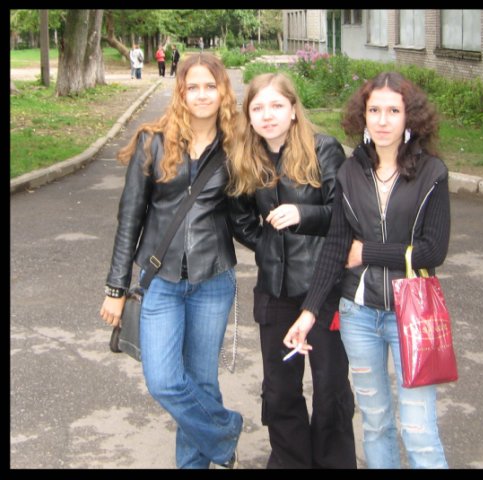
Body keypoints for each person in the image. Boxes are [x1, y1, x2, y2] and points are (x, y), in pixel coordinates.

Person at [283, 71, 451, 469]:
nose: (383, 120)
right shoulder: (349, 172)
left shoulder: (432, 172)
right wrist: (308, 313)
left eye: (393, 110)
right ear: (363, 116)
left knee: (419, 431)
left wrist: (368, 252)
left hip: (413, 314)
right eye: (374, 110)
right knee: (375, 425)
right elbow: (336, 248)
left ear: (410, 117)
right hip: (358, 315)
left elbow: (433, 250)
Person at [99, 53, 243, 469]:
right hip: (160, 279)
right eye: (192, 86)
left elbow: (246, 214)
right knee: (163, 380)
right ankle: (224, 431)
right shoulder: (153, 141)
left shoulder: (235, 145)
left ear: (223, 91)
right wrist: (116, 287)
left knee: (201, 381)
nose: (202, 95)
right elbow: (130, 218)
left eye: (210, 86)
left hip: (213, 279)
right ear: (180, 91)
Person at [227, 72, 357, 469]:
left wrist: (303, 215)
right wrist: (270, 248)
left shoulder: (324, 149)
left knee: (330, 387)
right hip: (274, 290)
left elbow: (344, 216)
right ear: (248, 116)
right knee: (280, 389)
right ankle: (291, 460)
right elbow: (240, 219)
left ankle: (333, 462)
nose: (267, 115)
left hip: (324, 287)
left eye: (276, 106)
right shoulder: (245, 157)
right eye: (258, 108)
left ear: (294, 110)